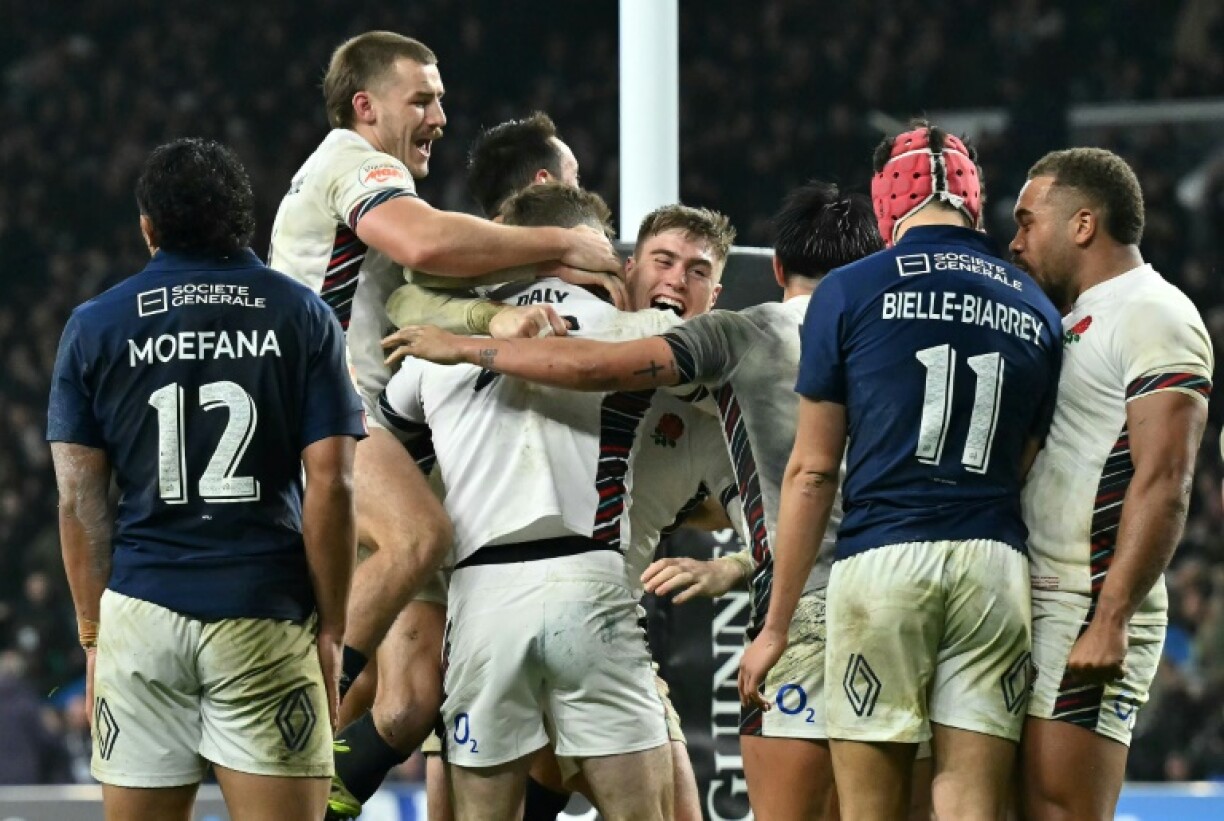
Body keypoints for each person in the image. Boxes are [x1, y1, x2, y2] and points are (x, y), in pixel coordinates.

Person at [385, 180, 886, 820]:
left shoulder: (707, 400)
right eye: (664, 262)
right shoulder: (628, 337)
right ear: (622, 267)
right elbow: (586, 363)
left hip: (549, 606)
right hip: (551, 597)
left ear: (718, 294)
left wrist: (729, 565)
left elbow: (769, 513)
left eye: (698, 271)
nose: (677, 282)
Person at [268, 31, 622, 816]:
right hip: (326, 405)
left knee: (410, 700)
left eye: (442, 100)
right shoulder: (359, 163)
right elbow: (427, 242)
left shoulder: (362, 189)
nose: (439, 115)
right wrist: (566, 239)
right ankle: (291, 720)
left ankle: (321, 791)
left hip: (353, 421)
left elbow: (419, 285)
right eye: (421, 98)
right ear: (367, 106)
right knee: (419, 537)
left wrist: (497, 312)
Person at [737, 123, 1062, 821]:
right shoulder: (1036, 304)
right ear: (976, 202)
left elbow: (813, 472)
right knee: (971, 804)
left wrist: (775, 624)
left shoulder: (849, 290)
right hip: (993, 564)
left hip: (882, 561)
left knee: (871, 809)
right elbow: (1026, 457)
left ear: (888, 201)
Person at [381, 186, 734, 821]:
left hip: (479, 597)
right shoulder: (646, 331)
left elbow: (389, 442)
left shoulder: (429, 350)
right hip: (589, 584)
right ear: (601, 256)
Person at [47, 138, 366, 821]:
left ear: (148, 227)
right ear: (241, 219)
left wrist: (94, 635)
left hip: (143, 612)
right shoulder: (302, 315)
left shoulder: (95, 324)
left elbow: (78, 497)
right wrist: (333, 627)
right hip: (262, 609)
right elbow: (334, 485)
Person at [1011, 148, 1213, 820]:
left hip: (1087, 603)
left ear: (1083, 223)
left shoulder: (1155, 311)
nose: (1014, 241)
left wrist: (1111, 617)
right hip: (1042, 598)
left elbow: (1165, 477)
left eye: (1027, 221)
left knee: (1062, 810)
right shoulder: (1072, 320)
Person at [467, 111, 580, 218]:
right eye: (575, 176)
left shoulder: (463, 237)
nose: (582, 193)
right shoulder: (586, 236)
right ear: (543, 183)